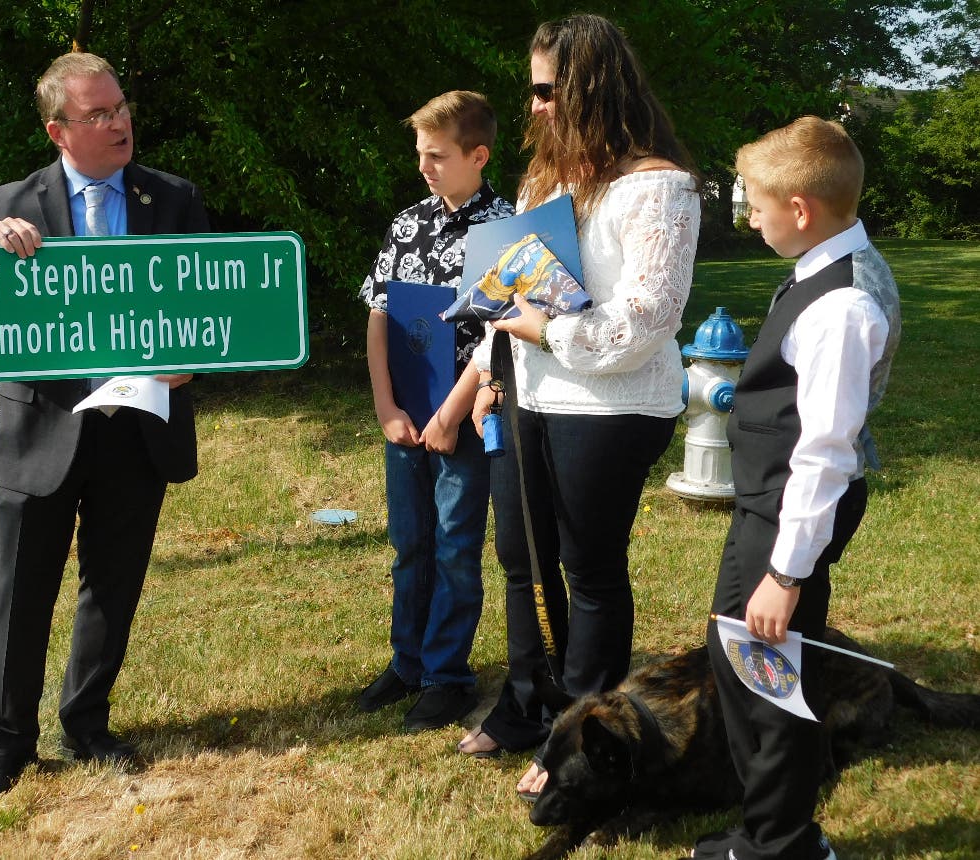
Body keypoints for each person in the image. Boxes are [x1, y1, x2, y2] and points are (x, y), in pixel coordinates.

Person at [456, 14, 702, 800]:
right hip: (528, 397)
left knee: (587, 570)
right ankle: (525, 705)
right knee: (520, 562)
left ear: (588, 89)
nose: (530, 106)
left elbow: (645, 321)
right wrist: (490, 372)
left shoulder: (658, 188)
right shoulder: (546, 182)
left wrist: (546, 329)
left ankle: (583, 733)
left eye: (543, 90)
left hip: (613, 406)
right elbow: (513, 288)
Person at [0, 51, 210, 809]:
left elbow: (211, 302)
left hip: (137, 428)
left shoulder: (172, 197)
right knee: (20, 591)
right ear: (57, 130)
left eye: (120, 106)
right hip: (41, 434)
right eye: (96, 115)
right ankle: (5, 747)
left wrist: (196, 360)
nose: (118, 122)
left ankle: (87, 723)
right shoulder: (9, 201)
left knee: (114, 585)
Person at [689, 117, 900, 860]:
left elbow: (823, 451)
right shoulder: (823, 267)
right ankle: (777, 823)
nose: (747, 215)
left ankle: (779, 842)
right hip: (771, 504)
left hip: (788, 513)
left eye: (752, 202)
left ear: (800, 208)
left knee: (764, 671)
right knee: (743, 654)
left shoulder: (840, 305)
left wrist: (784, 572)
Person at [357, 91, 515, 732]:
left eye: (438, 156)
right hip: (405, 417)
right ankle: (408, 660)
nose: (424, 166)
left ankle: (447, 675)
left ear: (478, 155)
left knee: (454, 545)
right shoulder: (407, 223)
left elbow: (500, 331)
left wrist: (449, 415)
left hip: (466, 417)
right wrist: (385, 403)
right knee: (410, 542)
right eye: (420, 154)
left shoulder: (505, 229)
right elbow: (379, 314)